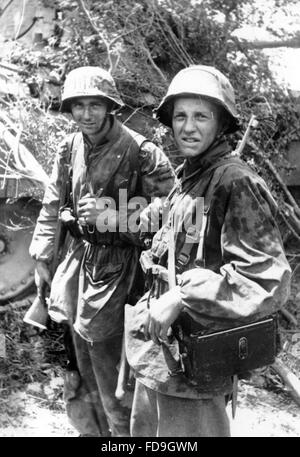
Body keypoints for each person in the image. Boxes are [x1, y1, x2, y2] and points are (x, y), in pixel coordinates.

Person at [125, 65, 291, 437]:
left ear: (221, 124)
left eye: (201, 116)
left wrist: (182, 297)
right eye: (180, 116)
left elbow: (266, 281)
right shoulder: (192, 176)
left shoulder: (236, 181)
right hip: (161, 359)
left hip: (195, 370)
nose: (188, 126)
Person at [29, 66, 175, 437]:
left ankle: (124, 437)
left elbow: (173, 222)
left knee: (113, 363)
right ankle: (91, 431)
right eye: (79, 106)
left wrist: (113, 216)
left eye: (95, 105)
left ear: (111, 107)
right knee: (78, 358)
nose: (86, 115)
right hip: (78, 263)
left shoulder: (143, 153)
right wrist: (43, 256)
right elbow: (51, 204)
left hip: (125, 270)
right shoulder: (69, 147)